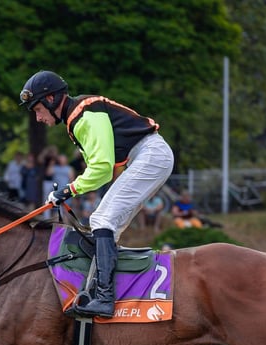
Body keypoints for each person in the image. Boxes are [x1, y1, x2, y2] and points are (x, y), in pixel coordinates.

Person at [20, 70, 174, 317]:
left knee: (102, 220)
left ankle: (104, 298)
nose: (38, 118)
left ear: (50, 99)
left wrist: (68, 190)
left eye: (37, 109)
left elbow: (101, 169)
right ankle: (107, 292)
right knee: (107, 228)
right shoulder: (78, 116)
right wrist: (70, 190)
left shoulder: (82, 116)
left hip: (150, 156)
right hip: (147, 156)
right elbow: (103, 169)